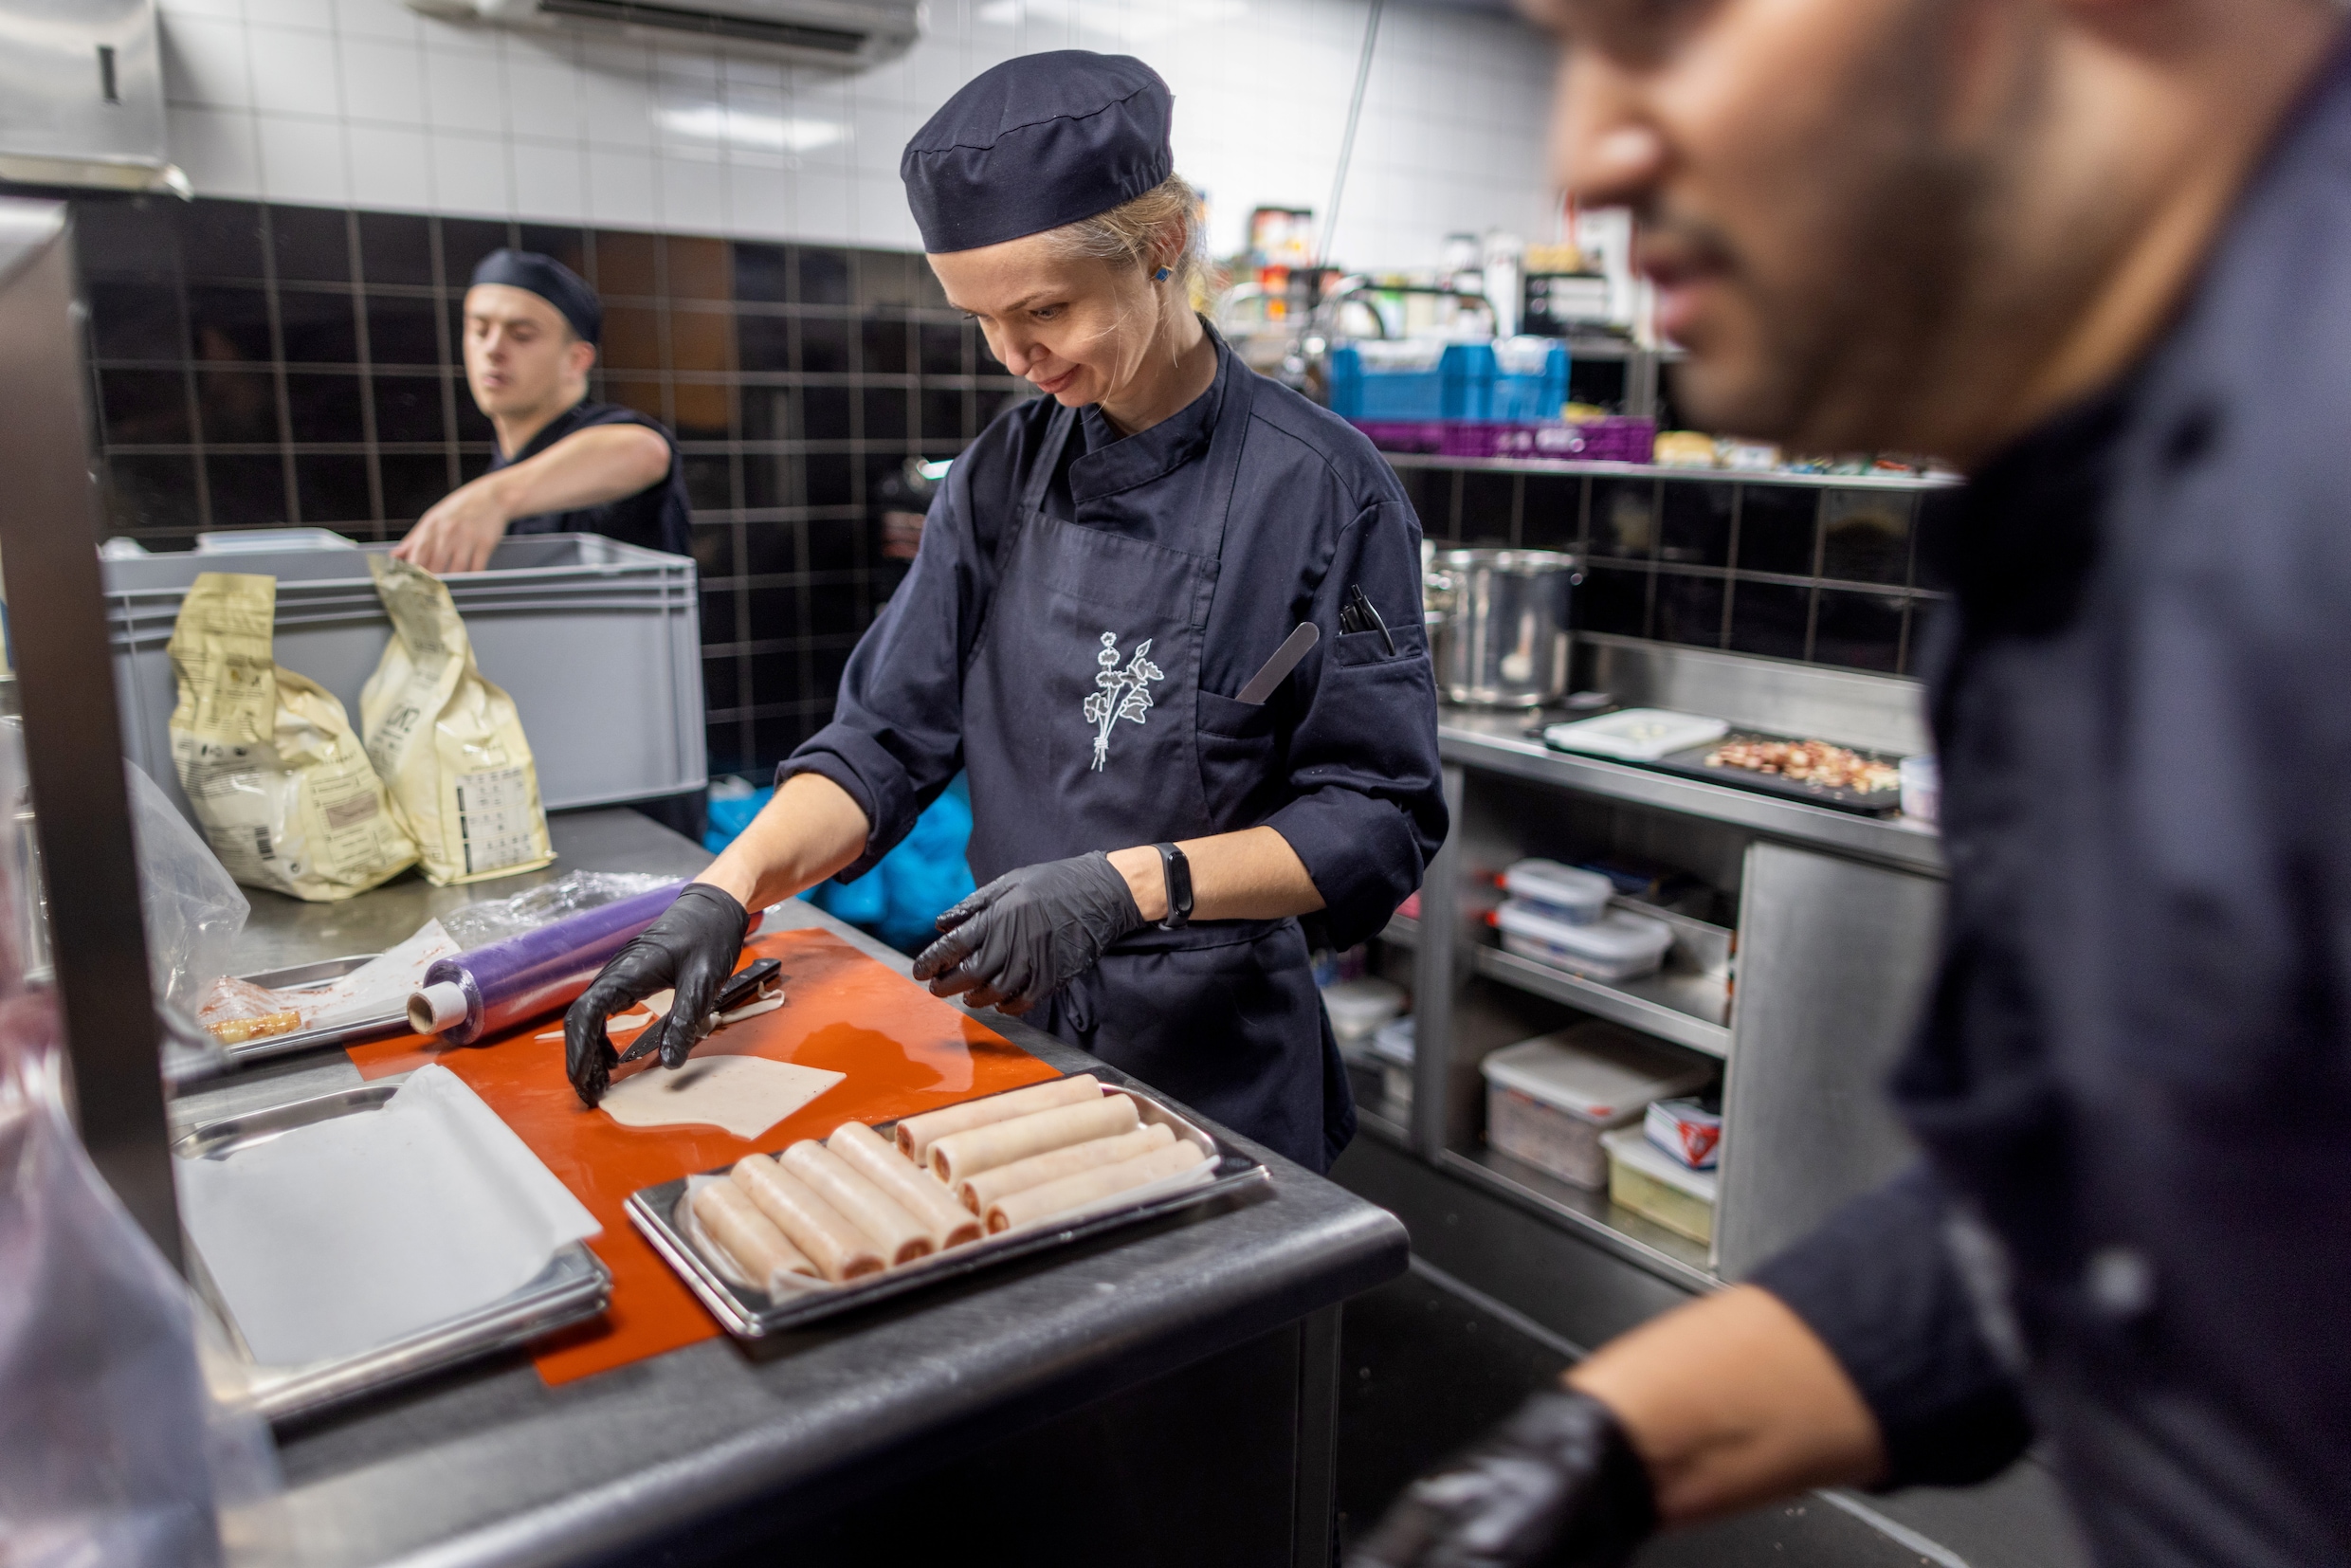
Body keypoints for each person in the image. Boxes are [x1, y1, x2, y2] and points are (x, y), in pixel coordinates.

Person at [1353, 1, 2351, 1565]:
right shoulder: (2081, 528)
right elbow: (2091, 1181)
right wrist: (1598, 1447)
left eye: (1663, 24)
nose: (1585, 156)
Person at [559, 52, 1446, 1175]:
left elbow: (1378, 814)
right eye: (978, 319)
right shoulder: (997, 475)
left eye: (1043, 311)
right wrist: (724, 890)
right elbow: (883, 739)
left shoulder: (1323, 490)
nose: (1014, 360)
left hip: (1217, 1067)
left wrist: (1130, 885)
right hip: (1014, 1038)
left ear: (1162, 246)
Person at [392, 250, 692, 574]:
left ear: (576, 360)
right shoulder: (503, 473)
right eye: (480, 331)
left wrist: (495, 498)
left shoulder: (602, 434)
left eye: (522, 335)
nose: (492, 350)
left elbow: (645, 451)